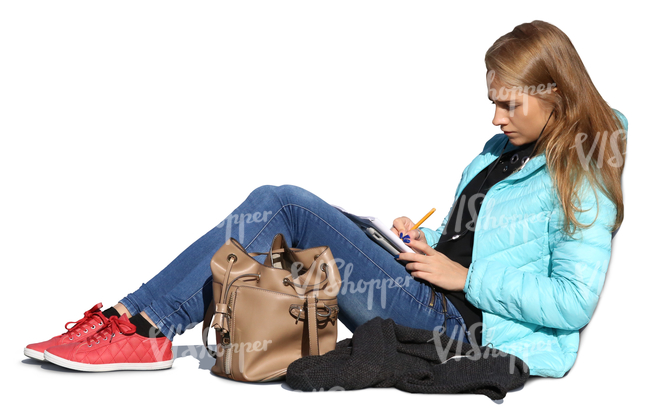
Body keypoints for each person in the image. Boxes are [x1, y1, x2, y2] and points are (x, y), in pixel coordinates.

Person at [24, 20, 627, 378]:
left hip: (461, 329)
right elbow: (478, 232)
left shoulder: (584, 175)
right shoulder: (506, 151)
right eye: (492, 100)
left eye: (509, 104)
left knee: (283, 203)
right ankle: (137, 324)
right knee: (292, 209)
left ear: (557, 96)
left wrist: (460, 276)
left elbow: (571, 304)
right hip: (435, 292)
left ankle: (140, 326)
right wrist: (424, 241)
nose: (494, 117)